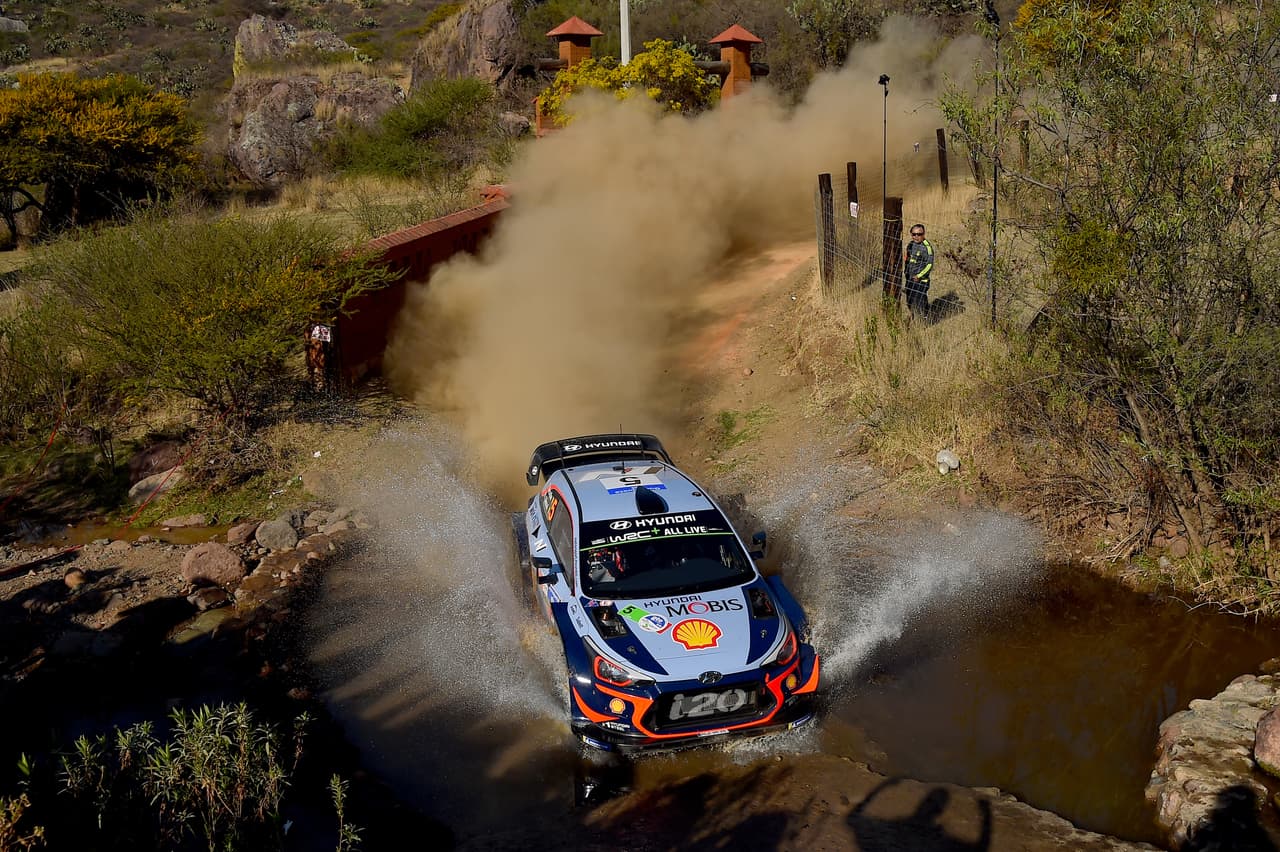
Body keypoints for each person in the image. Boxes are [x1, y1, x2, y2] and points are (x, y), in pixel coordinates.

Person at [904, 223, 934, 319]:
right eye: (914, 234)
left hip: (920, 281)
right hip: (910, 279)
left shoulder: (927, 248)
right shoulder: (910, 245)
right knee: (909, 301)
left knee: (920, 302)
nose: (916, 237)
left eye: (919, 234)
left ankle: (924, 321)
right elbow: (907, 260)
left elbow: (929, 265)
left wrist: (919, 276)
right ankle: (913, 318)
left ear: (924, 234)